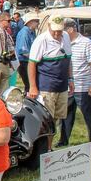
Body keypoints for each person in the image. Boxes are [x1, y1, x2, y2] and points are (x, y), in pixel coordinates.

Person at [28, 16, 74, 150]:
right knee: (46, 119)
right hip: (46, 86)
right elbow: (32, 64)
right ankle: (42, 148)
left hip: (62, 85)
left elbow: (68, 59)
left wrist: (70, 79)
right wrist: (33, 86)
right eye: (54, 31)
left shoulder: (65, 37)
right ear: (48, 26)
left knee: (56, 118)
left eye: (59, 31)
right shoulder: (41, 40)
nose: (57, 34)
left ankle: (49, 147)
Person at [57, 19, 91, 152]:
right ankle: (63, 140)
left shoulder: (86, 42)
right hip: (69, 86)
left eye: (63, 30)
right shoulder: (63, 42)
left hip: (83, 85)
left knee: (89, 116)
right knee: (65, 115)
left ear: (70, 29)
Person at [15, 13, 39, 93]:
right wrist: (36, 59)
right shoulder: (24, 33)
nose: (38, 23)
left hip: (29, 61)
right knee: (29, 85)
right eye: (36, 21)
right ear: (30, 22)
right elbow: (23, 51)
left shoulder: (32, 32)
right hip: (24, 62)